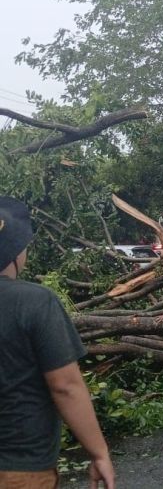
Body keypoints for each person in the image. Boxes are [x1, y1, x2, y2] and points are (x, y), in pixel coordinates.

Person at [0, 196, 115, 488]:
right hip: (20, 466)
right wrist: (98, 452)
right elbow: (65, 385)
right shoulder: (35, 301)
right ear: (14, 252)